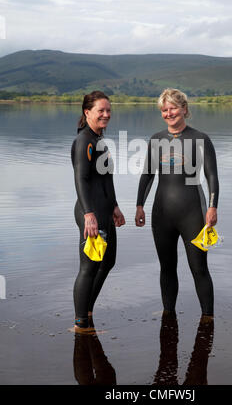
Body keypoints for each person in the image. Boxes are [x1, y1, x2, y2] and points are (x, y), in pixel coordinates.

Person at [135, 88, 219, 320]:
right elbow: (147, 175)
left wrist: (213, 207)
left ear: (184, 109)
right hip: (162, 214)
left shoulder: (200, 139)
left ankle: (208, 318)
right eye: (164, 109)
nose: (168, 113)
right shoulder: (156, 139)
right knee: (167, 268)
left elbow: (212, 175)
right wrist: (139, 205)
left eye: (172, 108)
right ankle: (168, 313)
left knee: (199, 268)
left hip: (193, 212)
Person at [71, 91, 125, 334]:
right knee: (90, 266)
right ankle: (80, 323)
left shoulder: (100, 140)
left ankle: (88, 311)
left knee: (108, 261)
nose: (106, 114)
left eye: (108, 110)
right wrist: (88, 214)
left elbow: (106, 179)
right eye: (100, 110)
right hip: (90, 211)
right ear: (87, 112)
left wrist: (114, 205)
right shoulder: (85, 141)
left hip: (104, 210)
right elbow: (81, 179)